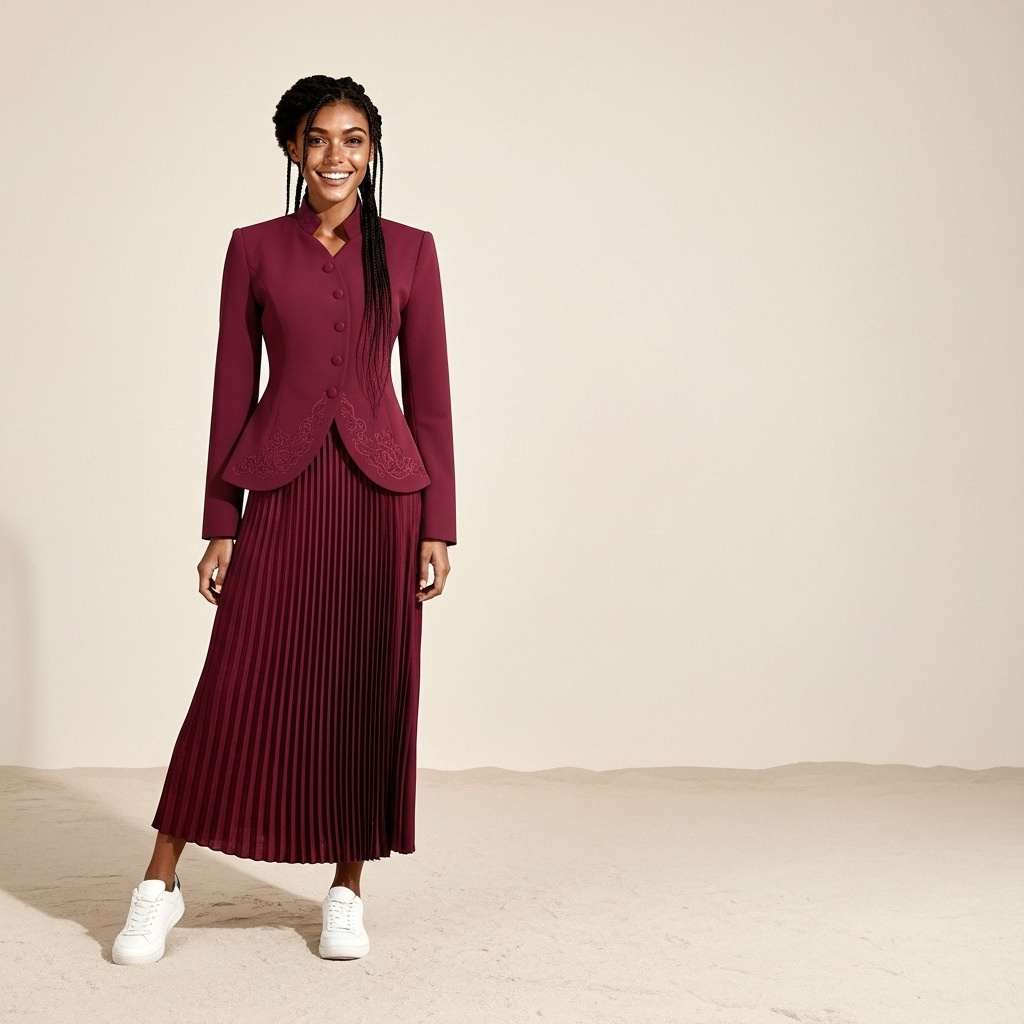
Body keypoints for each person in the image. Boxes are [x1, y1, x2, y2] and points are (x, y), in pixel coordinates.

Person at [111, 75, 456, 965]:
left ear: (373, 149)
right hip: (283, 488)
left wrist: (439, 525)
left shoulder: (413, 252)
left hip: (384, 499)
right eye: (317, 139)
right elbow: (234, 386)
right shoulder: (254, 248)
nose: (336, 156)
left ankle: (346, 889)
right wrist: (219, 518)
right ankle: (160, 883)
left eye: (353, 138)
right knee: (237, 682)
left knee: (362, 685)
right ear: (292, 151)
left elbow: (433, 400)